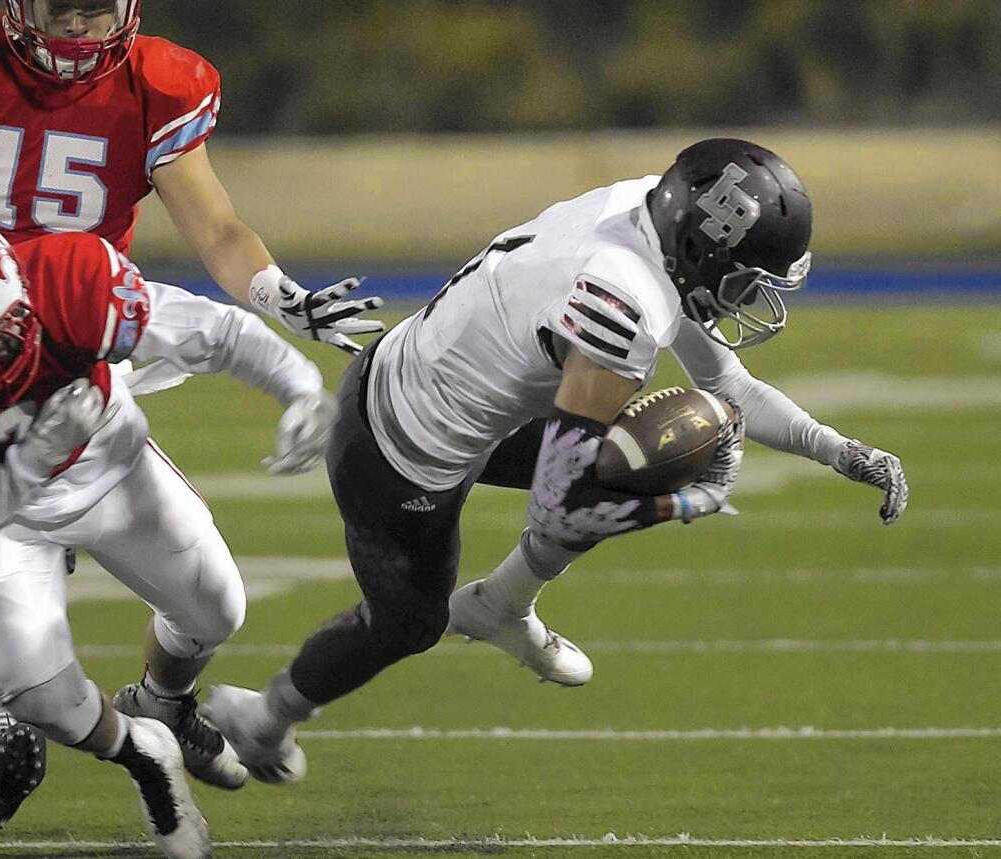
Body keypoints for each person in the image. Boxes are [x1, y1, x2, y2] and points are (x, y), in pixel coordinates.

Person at [202, 138, 910, 783]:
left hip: (438, 385)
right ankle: (264, 718)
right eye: (745, 283)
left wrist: (838, 450)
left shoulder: (646, 209)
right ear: (703, 253)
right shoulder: (622, 301)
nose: (752, 300)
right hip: (397, 453)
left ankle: (502, 603)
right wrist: (690, 503)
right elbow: (561, 502)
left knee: (679, 435)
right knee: (411, 623)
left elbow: (728, 387)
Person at [0, 0, 381, 834]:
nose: (78, 32)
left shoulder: (156, 82)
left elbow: (216, 227)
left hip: (79, 323)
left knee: (208, 598)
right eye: (62, 11)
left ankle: (150, 702)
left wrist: (279, 296)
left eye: (96, 12)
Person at [0, 215, 337, 857]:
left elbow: (213, 330)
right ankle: (145, 753)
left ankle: (162, 704)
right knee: (33, 693)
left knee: (218, 610)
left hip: (110, 468)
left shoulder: (74, 284)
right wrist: (35, 458)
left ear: (20, 302)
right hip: (3, 518)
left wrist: (299, 388)